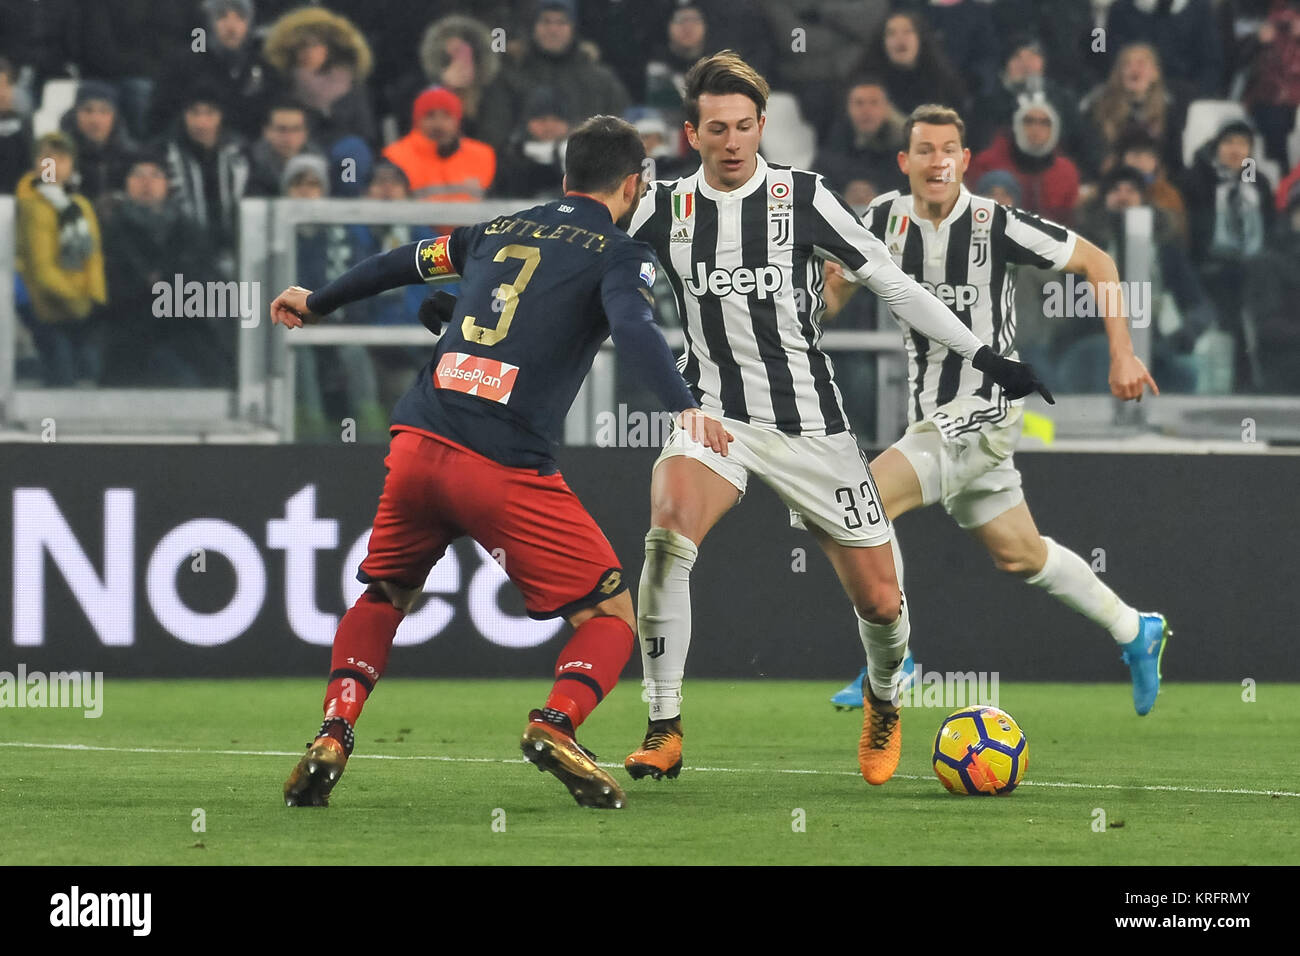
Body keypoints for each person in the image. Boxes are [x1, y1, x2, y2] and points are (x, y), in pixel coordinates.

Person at [274, 115, 730, 810]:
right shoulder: (617, 252)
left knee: (385, 595)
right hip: (502, 462)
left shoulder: (498, 228)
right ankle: (555, 725)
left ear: (566, 175)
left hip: (418, 442)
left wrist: (319, 300)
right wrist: (682, 404)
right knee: (610, 613)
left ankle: (334, 730)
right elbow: (634, 325)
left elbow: (405, 261)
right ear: (634, 184)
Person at [621, 53, 1049, 787]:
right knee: (667, 535)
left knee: (881, 601)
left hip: (812, 426)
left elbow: (893, 283)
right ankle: (663, 726)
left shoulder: (803, 198)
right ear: (691, 133)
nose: (732, 142)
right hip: (714, 414)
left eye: (745, 127)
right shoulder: (659, 209)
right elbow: (588, 281)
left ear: (762, 127)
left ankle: (884, 700)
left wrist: (985, 357)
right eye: (716, 129)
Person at [821, 104, 1170, 714]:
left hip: (985, 407)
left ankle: (896, 660)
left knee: (861, 500)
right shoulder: (879, 219)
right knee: (1020, 553)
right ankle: (1133, 628)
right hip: (932, 416)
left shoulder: (994, 223)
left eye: (948, 149)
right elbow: (833, 296)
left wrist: (1123, 354)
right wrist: (816, 298)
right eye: (925, 150)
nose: (937, 161)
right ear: (905, 162)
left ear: (965, 161)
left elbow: (1100, 263)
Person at [14, 132, 107, 386]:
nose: (53, 164)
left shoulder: (79, 205)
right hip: (42, 307)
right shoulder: (26, 206)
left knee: (90, 371)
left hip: (82, 306)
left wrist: (94, 299)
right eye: (46, 157)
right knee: (61, 370)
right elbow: (38, 269)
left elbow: (93, 257)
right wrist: (75, 301)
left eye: (61, 158)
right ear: (35, 164)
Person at [382, 86, 495, 202]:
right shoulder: (395, 157)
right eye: (430, 115)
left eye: (446, 115)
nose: (438, 124)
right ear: (417, 120)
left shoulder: (482, 156)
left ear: (457, 121)